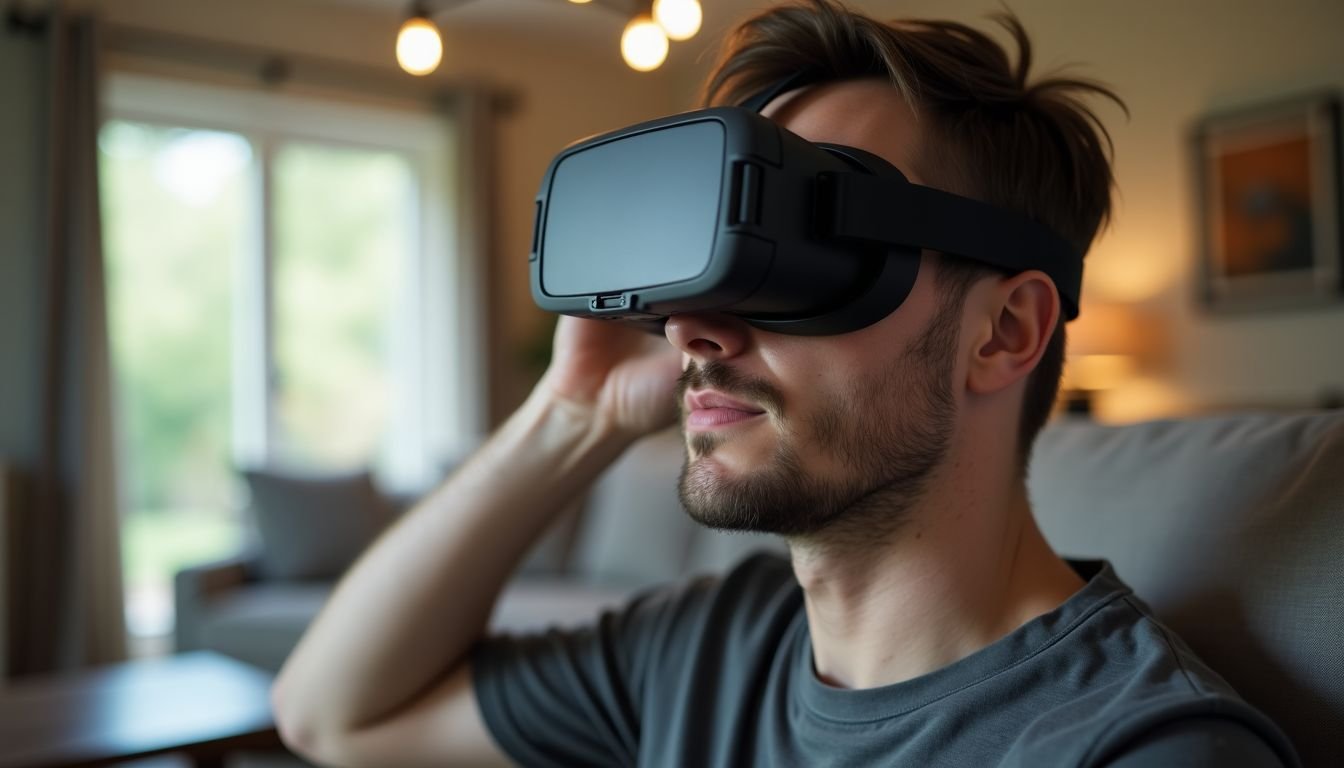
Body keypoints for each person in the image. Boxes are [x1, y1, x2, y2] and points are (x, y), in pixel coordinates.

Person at [271, 1, 1297, 765]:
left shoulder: (1135, 749)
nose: (696, 332)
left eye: (803, 248)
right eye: (709, 262)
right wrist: (571, 414)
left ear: (1005, 331)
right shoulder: (708, 645)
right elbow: (330, 716)